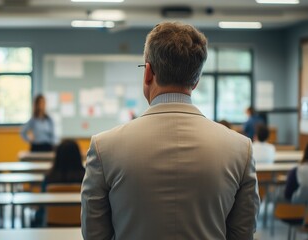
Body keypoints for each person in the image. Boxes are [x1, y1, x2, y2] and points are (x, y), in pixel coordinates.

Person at [81, 22, 259, 240]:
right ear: (196, 81)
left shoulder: (103, 148)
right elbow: (243, 234)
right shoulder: (241, 149)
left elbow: (94, 235)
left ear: (147, 73)